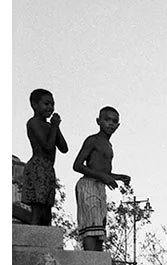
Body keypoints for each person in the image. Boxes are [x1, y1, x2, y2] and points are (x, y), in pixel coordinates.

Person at [71, 106, 129, 251]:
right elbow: (77, 165)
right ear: (98, 121)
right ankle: (90, 261)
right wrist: (103, 176)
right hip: (88, 185)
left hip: (99, 186)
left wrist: (118, 177)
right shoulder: (93, 140)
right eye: (107, 120)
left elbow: (103, 171)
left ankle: (97, 261)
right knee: (91, 227)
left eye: (114, 121)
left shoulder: (108, 144)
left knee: (99, 227)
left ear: (118, 125)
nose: (110, 123)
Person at [22, 88, 68, 226]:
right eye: (46, 104)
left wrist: (56, 127)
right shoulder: (33, 122)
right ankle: (34, 236)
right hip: (38, 166)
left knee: (47, 207)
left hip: (49, 168)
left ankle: (46, 235)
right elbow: (47, 146)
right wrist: (54, 126)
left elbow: (64, 148)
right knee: (37, 207)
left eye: (52, 104)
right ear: (34, 105)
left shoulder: (50, 126)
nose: (50, 107)